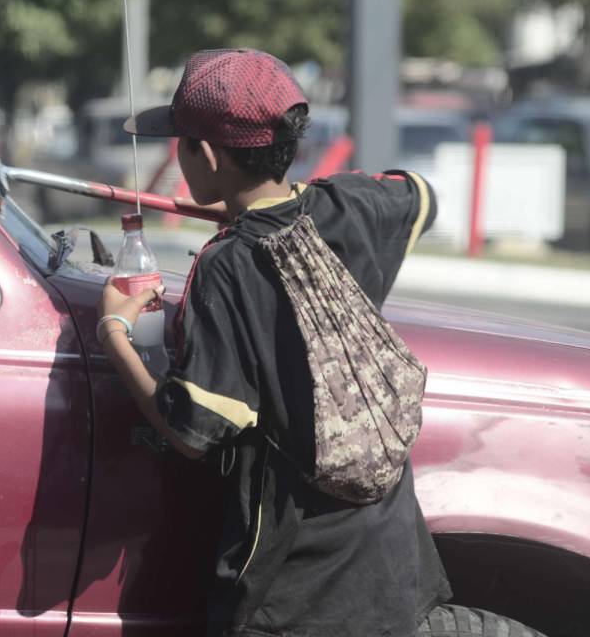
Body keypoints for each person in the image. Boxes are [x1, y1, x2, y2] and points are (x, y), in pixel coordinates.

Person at [97, 48, 451, 637]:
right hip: (390, 564)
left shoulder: (227, 267)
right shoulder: (348, 207)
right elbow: (419, 194)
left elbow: (191, 428)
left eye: (181, 143)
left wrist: (115, 333)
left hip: (295, 591)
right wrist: (300, 202)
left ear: (204, 155)